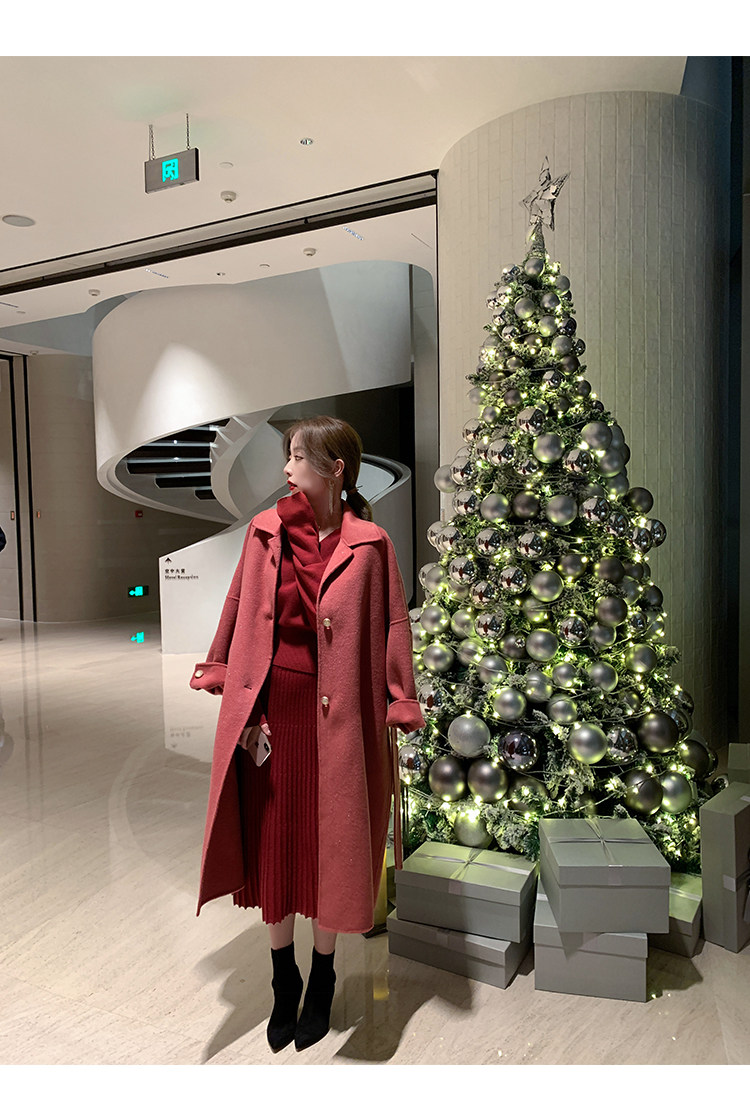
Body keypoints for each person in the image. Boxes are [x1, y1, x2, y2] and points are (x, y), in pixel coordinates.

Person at [190, 415, 425, 1053]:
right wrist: (220, 665)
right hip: (273, 710)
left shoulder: (371, 544)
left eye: (297, 456)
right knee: (274, 844)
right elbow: (237, 604)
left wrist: (400, 696)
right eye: (289, 455)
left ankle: (322, 977)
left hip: (340, 719)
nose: (287, 468)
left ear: (334, 469)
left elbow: (394, 624)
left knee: (330, 848)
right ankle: (282, 978)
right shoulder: (264, 530)